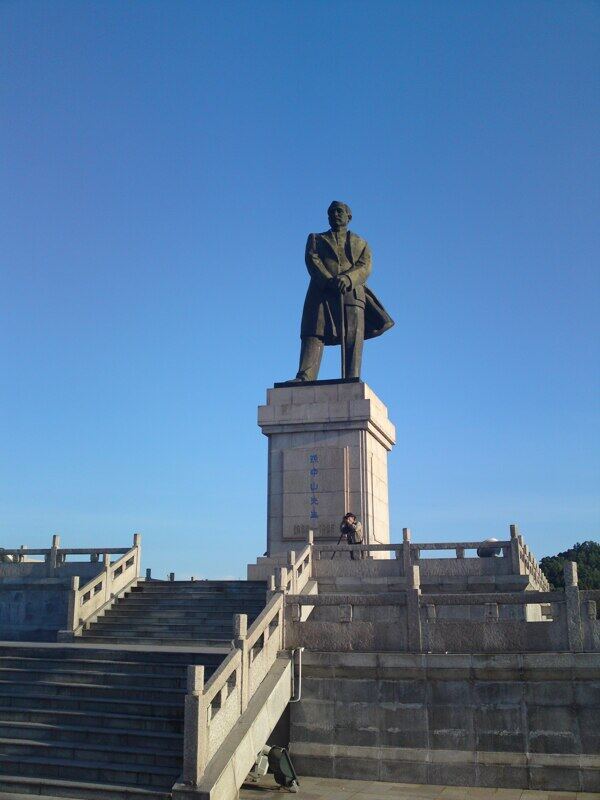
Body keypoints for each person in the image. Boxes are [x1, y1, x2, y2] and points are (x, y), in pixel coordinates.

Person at [289, 201, 393, 382]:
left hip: (352, 292)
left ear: (349, 216)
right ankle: (305, 375)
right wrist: (329, 280)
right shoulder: (316, 238)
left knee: (353, 335)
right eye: (331, 212)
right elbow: (312, 260)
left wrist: (348, 279)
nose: (335, 215)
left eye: (339, 211)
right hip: (320, 291)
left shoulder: (361, 243)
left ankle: (351, 376)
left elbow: (365, 267)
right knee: (313, 332)